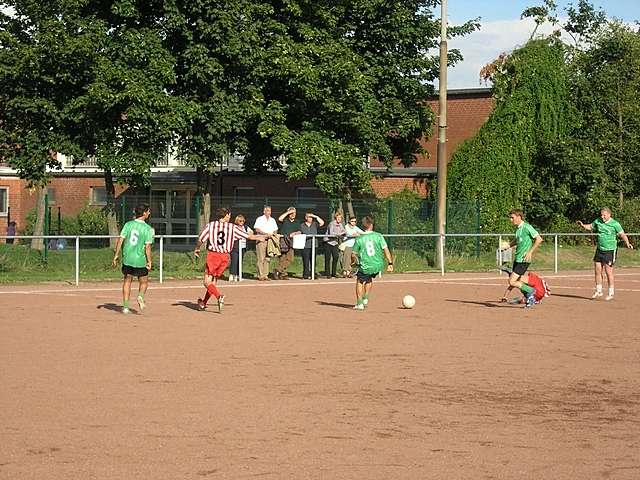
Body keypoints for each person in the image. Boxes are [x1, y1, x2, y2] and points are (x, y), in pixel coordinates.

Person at [194, 207, 265, 312]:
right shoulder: (232, 227)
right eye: (229, 215)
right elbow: (247, 236)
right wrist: (259, 237)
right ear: (226, 215)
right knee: (213, 283)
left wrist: (197, 248)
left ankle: (219, 297)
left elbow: (201, 239)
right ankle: (204, 303)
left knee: (206, 282)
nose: (230, 217)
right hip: (225, 257)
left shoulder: (211, 225)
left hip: (214, 255)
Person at [577, 207, 633, 301]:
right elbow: (590, 226)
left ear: (609, 215)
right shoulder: (598, 221)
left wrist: (627, 243)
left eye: (604, 215)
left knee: (608, 271)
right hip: (600, 249)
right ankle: (599, 290)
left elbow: (622, 234)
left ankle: (611, 292)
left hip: (610, 250)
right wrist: (582, 225)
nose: (602, 217)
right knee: (597, 270)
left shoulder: (615, 224)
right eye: (601, 215)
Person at [112, 204, 154, 314]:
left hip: (127, 259)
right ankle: (140, 296)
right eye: (148, 211)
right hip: (140, 260)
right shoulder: (148, 229)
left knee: (127, 280)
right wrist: (149, 261)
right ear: (144, 213)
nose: (149, 213)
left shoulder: (128, 224)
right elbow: (148, 247)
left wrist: (116, 255)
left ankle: (125, 307)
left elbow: (120, 240)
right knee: (144, 281)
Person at [500, 209, 543, 308]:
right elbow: (517, 241)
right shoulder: (518, 229)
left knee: (512, 281)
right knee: (518, 281)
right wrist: (508, 246)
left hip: (524, 260)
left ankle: (531, 291)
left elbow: (539, 239)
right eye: (510, 218)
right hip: (518, 259)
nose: (511, 220)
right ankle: (530, 298)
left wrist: (530, 252)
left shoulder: (527, 227)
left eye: (512, 217)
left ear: (519, 217)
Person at [351, 216, 393, 310]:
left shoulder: (359, 239)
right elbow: (386, 249)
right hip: (377, 265)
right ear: (371, 225)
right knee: (369, 278)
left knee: (359, 281)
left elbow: (353, 254)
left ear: (363, 226)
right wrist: (390, 263)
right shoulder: (378, 236)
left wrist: (353, 262)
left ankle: (359, 303)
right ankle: (365, 297)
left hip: (366, 265)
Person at [253, 206, 278, 280]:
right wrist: (265, 234)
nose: (268, 212)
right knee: (261, 258)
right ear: (264, 211)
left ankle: (265, 275)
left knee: (267, 258)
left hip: (270, 240)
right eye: (267, 210)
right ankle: (260, 275)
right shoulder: (259, 219)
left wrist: (273, 234)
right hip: (261, 240)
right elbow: (257, 229)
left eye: (270, 211)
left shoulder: (272, 220)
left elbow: (275, 229)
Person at [275, 207, 301, 279]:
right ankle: (282, 274)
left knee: (290, 259)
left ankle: (278, 270)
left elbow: (300, 231)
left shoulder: (297, 222)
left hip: (291, 242)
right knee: (282, 258)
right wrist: (288, 212)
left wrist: (295, 233)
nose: (293, 214)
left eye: (294, 213)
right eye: (291, 213)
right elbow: (280, 218)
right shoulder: (285, 220)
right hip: (283, 241)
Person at [299, 211, 325, 279]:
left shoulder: (315, 224)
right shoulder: (302, 225)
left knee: (313, 260)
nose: (310, 218)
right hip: (305, 245)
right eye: (309, 217)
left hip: (314, 245)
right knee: (306, 261)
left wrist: (315, 216)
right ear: (306, 217)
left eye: (311, 217)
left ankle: (313, 273)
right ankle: (306, 274)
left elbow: (322, 223)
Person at [229, 214, 253, 282]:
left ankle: (238, 275)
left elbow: (251, 232)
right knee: (234, 260)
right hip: (234, 247)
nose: (241, 222)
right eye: (240, 221)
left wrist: (249, 234)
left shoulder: (245, 227)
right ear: (237, 221)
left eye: (243, 221)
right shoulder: (234, 227)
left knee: (240, 261)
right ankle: (232, 275)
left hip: (243, 247)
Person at [323, 211, 346, 278]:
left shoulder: (341, 224)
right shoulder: (331, 224)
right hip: (328, 242)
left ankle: (333, 272)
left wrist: (340, 233)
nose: (339, 219)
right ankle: (327, 273)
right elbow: (331, 234)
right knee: (328, 258)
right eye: (338, 218)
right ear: (335, 218)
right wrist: (339, 234)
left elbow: (344, 231)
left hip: (335, 243)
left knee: (336, 257)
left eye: (340, 218)